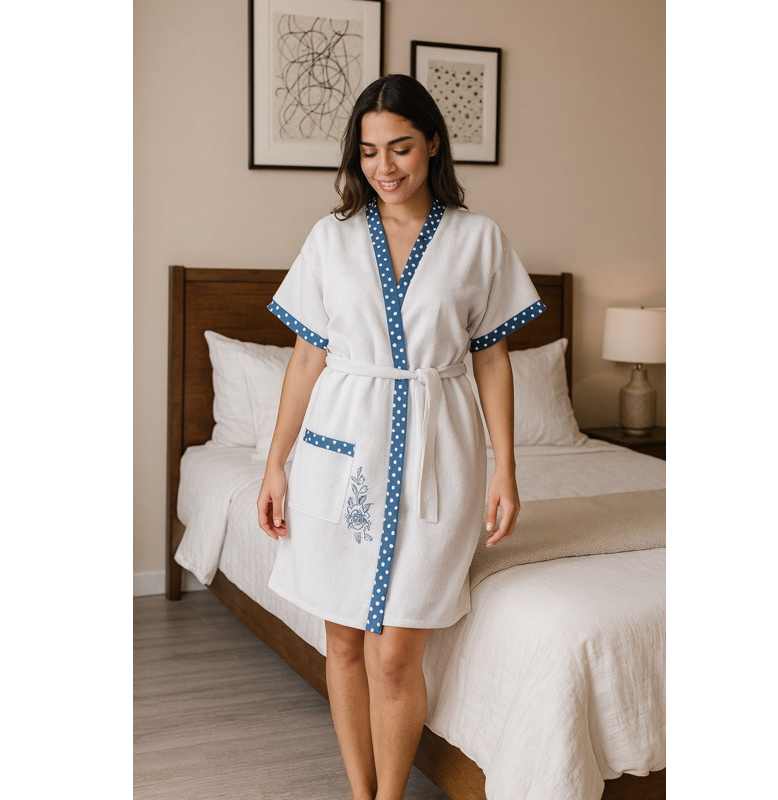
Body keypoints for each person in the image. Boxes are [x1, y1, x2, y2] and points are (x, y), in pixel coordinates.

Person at [256, 73, 547, 800]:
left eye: (401, 147)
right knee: (344, 641)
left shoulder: (478, 239)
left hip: (438, 451)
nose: (383, 167)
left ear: (434, 145)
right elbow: (306, 358)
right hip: (342, 450)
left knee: (394, 655)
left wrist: (505, 469)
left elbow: (491, 358)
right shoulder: (331, 238)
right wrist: (275, 465)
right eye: (368, 151)